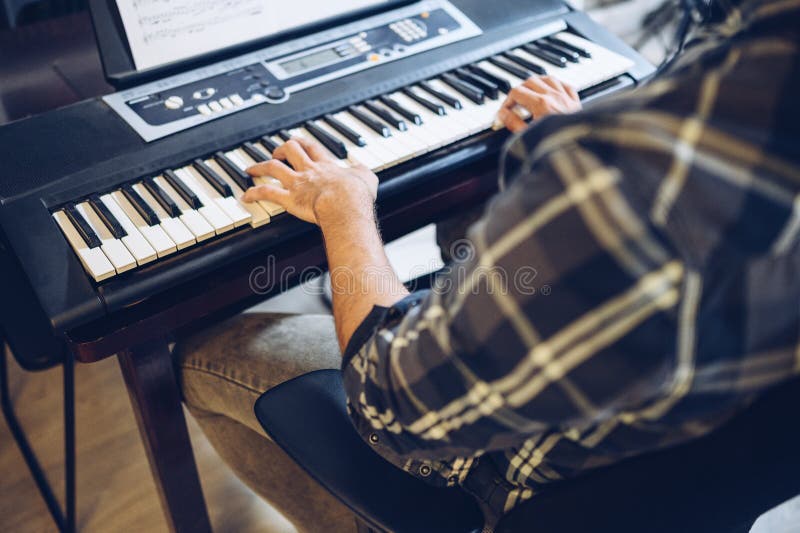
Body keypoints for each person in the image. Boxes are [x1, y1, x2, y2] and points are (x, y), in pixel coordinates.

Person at [176, 0, 800, 530]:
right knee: (468, 222)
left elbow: (387, 404)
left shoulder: (630, 179)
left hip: (527, 483)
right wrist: (580, 155)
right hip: (688, 450)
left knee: (205, 353)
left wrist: (343, 208)